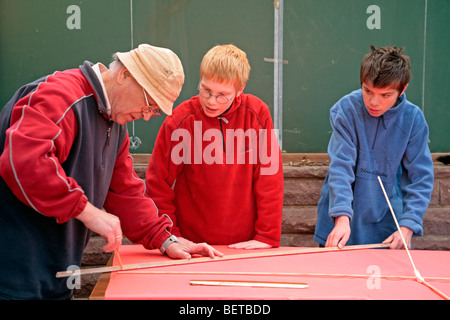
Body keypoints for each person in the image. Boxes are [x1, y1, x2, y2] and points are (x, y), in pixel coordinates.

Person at [0, 44, 222, 300]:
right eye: (149, 103)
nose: (148, 116)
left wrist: (165, 238)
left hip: (55, 272)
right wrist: (86, 211)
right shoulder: (61, 95)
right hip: (13, 273)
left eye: (155, 111)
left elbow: (124, 191)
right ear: (125, 74)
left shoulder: (114, 123)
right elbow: (24, 161)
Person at [145, 44, 284, 250]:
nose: (211, 101)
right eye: (206, 90)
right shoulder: (181, 120)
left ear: (239, 90)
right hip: (191, 244)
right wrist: (171, 235)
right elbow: (158, 183)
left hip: (245, 245)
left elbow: (269, 178)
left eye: (222, 95)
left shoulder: (257, 113)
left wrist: (267, 235)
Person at [314, 45, 434, 249]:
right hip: (341, 221)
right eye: (367, 91)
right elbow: (341, 167)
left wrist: (408, 226)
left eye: (385, 95)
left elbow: (420, 177)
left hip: (387, 227)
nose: (374, 102)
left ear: (402, 89)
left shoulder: (413, 119)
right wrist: (342, 218)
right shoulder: (346, 110)